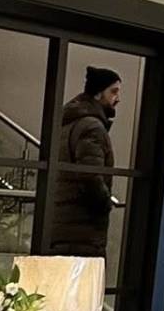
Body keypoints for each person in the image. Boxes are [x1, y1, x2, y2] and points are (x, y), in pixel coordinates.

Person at [50, 65, 121, 257]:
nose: (117, 98)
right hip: (82, 228)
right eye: (113, 92)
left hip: (62, 226)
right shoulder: (92, 127)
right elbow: (90, 175)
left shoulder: (68, 123)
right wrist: (105, 203)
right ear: (98, 93)